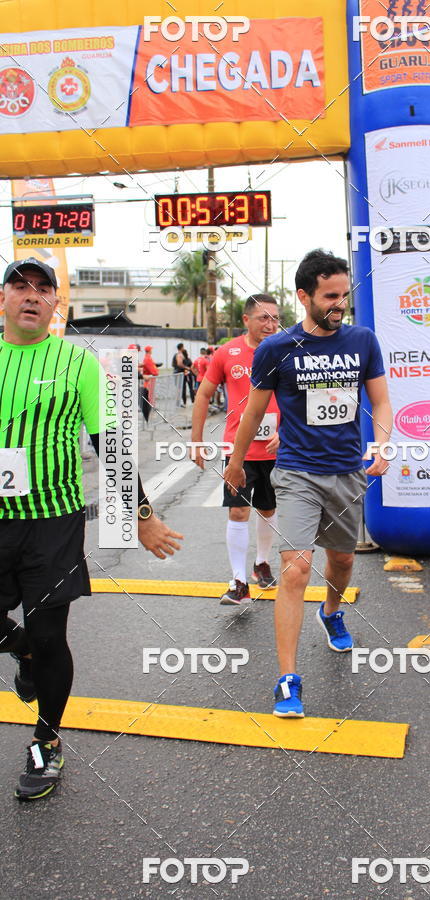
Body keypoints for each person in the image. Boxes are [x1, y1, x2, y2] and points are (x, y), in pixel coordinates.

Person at [0, 258, 183, 801]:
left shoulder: (76, 363)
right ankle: (21, 649)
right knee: (31, 639)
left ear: (57, 305)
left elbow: (113, 445)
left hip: (52, 523)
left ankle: (45, 743)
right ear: (3, 299)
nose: (31, 295)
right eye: (20, 286)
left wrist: (143, 518)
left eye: (43, 288)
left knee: (53, 635)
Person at [224, 250, 391, 717]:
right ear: (305, 297)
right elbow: (254, 412)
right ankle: (287, 681)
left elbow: (380, 403)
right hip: (296, 472)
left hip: (346, 473)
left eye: (344, 295)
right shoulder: (276, 349)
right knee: (296, 568)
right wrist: (237, 462)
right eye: (330, 296)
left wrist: (381, 444)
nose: (340, 304)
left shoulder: (362, 341)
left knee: (340, 563)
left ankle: (332, 611)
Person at [191, 295, 281, 604]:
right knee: (239, 510)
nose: (270, 324)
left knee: (268, 509)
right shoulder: (227, 353)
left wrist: (286, 432)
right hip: (238, 451)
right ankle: (239, 581)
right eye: (263, 318)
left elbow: (302, 398)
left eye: (274, 318)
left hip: (276, 449)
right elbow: (204, 394)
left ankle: (262, 563)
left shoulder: (286, 351)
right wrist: (197, 440)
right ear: (246, 320)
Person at [141, 345, 159, 423]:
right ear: (149, 350)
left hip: (150, 378)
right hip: (149, 379)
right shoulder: (147, 358)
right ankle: (150, 408)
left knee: (150, 394)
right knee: (149, 394)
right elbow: (152, 369)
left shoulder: (148, 357)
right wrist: (155, 372)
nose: (152, 350)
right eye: (151, 349)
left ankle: (151, 407)